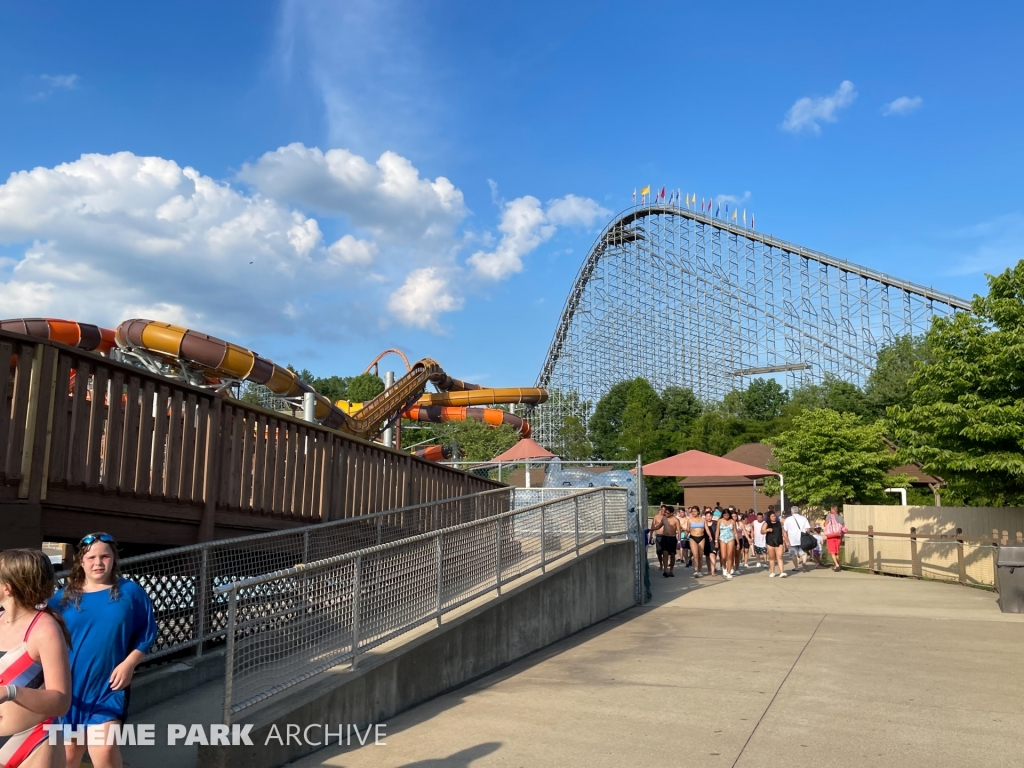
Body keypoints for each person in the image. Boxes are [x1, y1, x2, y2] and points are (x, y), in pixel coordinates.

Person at [53, 533, 157, 768]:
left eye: (104, 557)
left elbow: (147, 633)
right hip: (69, 688)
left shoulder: (130, 592)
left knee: (105, 749)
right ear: (81, 561)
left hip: (108, 686)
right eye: (91, 558)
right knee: (69, 756)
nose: (98, 563)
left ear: (114, 559)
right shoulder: (61, 598)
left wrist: (129, 664)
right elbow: (40, 634)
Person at [0, 548, 72, 768]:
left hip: (32, 743)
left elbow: (61, 701)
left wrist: (10, 692)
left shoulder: (44, 629)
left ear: (8, 588)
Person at [650, 508, 682, 577]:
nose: (666, 514)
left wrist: (679, 541)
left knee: (672, 555)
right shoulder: (664, 518)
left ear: (671, 513)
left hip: (672, 538)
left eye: (667, 513)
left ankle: (671, 570)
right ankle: (665, 570)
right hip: (664, 537)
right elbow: (659, 526)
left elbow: (679, 531)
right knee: (665, 553)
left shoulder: (676, 520)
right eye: (665, 513)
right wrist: (651, 529)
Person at [783, 506, 812, 574]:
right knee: (804, 552)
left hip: (792, 539)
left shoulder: (788, 519)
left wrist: (787, 541)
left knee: (793, 554)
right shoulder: (803, 518)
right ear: (798, 511)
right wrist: (807, 534)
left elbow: (784, 531)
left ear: (791, 511)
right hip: (802, 538)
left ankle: (796, 567)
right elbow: (808, 529)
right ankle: (804, 562)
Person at [822, 505, 847, 572]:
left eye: (831, 509)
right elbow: (843, 529)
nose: (830, 511)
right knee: (837, 552)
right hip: (838, 536)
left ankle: (837, 565)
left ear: (833, 510)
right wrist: (841, 537)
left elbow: (825, 525)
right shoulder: (841, 518)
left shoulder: (830, 516)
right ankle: (836, 565)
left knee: (832, 552)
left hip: (831, 536)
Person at [762, 511, 786, 577]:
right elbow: (762, 531)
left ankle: (782, 572)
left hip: (779, 541)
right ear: (769, 517)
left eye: (774, 516)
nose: (774, 517)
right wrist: (767, 530)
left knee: (780, 557)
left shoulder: (779, 523)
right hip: (770, 542)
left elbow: (783, 532)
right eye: (772, 516)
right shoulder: (766, 523)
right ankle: (772, 572)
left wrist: (787, 541)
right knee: (772, 557)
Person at [686, 507, 708, 578]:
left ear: (698, 512)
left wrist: (710, 536)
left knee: (700, 555)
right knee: (695, 555)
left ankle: (699, 570)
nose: (693, 513)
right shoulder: (690, 520)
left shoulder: (703, 519)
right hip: (693, 537)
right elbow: (687, 530)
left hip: (701, 538)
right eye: (692, 511)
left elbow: (706, 528)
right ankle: (695, 571)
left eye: (695, 511)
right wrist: (686, 533)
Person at [716, 509, 738, 579]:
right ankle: (724, 568)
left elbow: (735, 532)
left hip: (730, 538)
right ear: (723, 515)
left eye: (728, 515)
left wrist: (738, 542)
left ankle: (729, 572)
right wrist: (716, 541)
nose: (726, 516)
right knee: (723, 556)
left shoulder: (732, 521)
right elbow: (717, 531)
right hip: (722, 539)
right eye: (725, 515)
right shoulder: (720, 521)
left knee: (730, 555)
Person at [651, 505, 669, 573]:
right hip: (658, 535)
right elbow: (653, 526)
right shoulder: (656, 517)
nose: (663, 511)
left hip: (666, 535)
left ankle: (665, 566)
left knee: (665, 552)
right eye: (662, 510)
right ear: (660, 509)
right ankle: (661, 564)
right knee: (659, 552)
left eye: (664, 510)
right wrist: (650, 536)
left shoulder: (667, 517)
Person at [704, 510, 719, 577]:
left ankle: (713, 571)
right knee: (707, 556)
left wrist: (717, 541)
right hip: (705, 541)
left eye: (710, 516)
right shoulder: (703, 523)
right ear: (705, 517)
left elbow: (718, 532)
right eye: (707, 516)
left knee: (713, 556)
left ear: (712, 516)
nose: (709, 517)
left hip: (713, 541)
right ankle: (709, 569)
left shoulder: (715, 523)